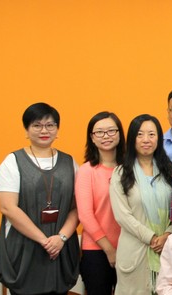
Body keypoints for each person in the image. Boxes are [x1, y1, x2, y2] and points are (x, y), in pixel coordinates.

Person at [0, 102, 80, 294]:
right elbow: (8, 208)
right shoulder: (13, 161)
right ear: (27, 129)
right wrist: (44, 240)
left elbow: (77, 207)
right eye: (37, 125)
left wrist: (61, 238)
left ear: (58, 129)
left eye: (50, 125)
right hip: (24, 248)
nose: (44, 130)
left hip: (61, 248)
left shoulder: (69, 162)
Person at [110, 114, 172, 295]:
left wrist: (168, 234)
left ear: (159, 139)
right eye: (140, 134)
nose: (146, 140)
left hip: (168, 248)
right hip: (135, 251)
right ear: (132, 139)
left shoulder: (170, 171)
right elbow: (122, 215)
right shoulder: (121, 173)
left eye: (151, 134)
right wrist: (152, 237)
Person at [75, 111, 125, 294]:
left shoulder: (129, 169)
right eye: (99, 132)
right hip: (96, 250)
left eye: (111, 130)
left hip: (129, 248)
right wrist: (109, 250)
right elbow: (85, 215)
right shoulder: (87, 171)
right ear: (92, 138)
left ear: (120, 133)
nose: (106, 136)